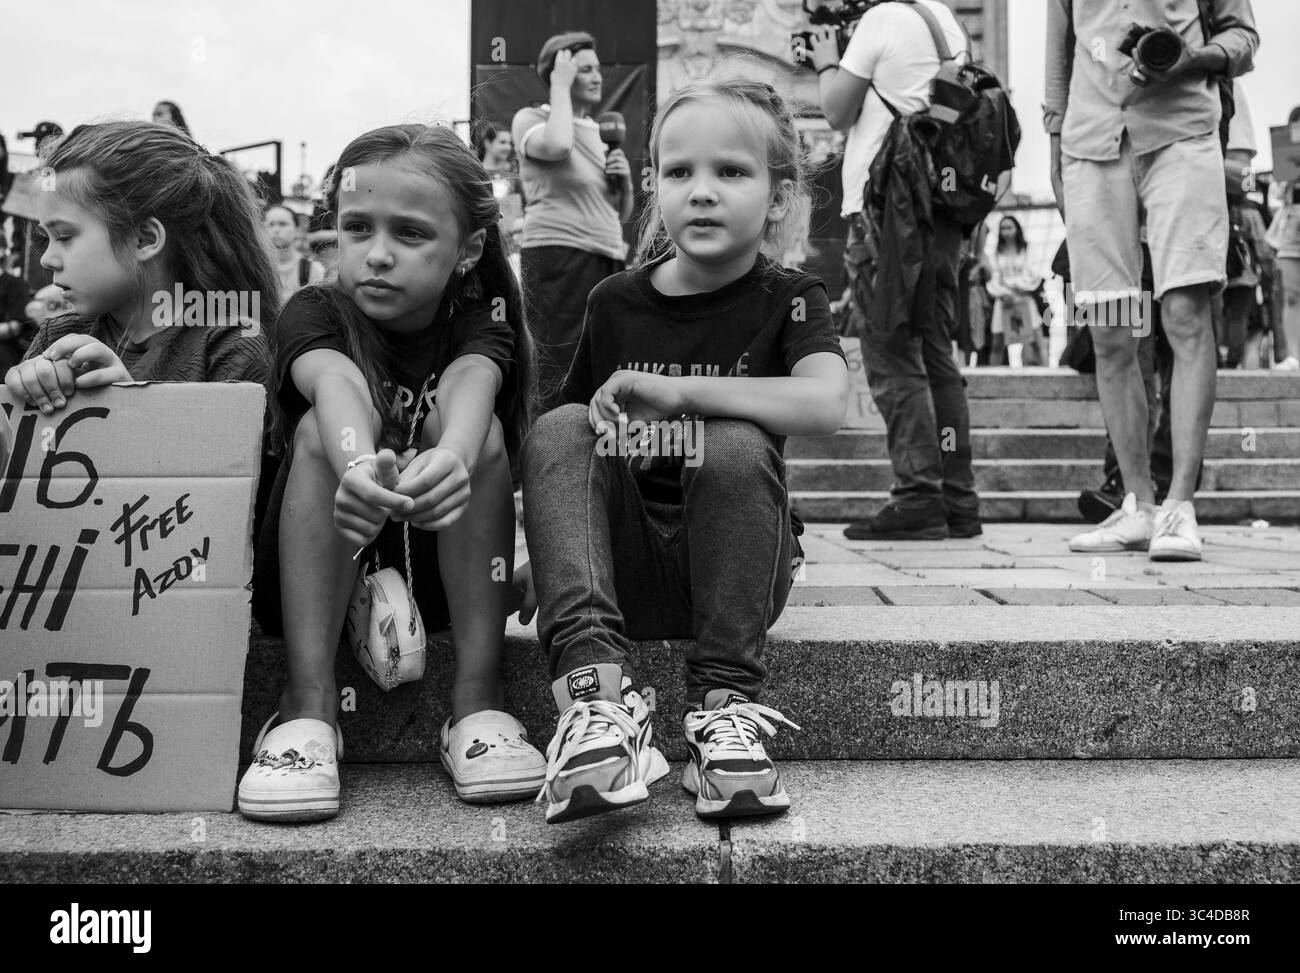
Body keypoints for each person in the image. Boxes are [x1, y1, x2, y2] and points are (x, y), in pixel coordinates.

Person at [522, 77, 848, 825]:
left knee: (732, 439)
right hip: (628, 571)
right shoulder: (615, 301)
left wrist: (682, 394)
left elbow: (827, 402)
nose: (702, 192)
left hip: (736, 570)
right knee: (559, 424)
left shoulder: (792, 295)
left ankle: (725, 715)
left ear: (778, 196)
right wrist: (539, 548)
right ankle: (596, 711)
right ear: (654, 187)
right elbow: (568, 445)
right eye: (680, 172)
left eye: (731, 172)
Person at [242, 124, 542, 822]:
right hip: (316, 581)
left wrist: (453, 457)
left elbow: (473, 385)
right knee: (320, 429)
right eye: (356, 228)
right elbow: (335, 384)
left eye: (410, 234)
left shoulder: (481, 318)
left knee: (481, 435)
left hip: (437, 581)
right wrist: (360, 469)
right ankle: (306, 707)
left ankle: (477, 698)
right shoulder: (315, 308)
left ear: (468, 250)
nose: (375, 255)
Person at [1049, 0, 1258, 562]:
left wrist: (1192, 60)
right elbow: (1061, 48)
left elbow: (1243, 37)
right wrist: (1054, 136)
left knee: (1186, 316)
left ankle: (1179, 506)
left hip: (1182, 135)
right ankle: (1138, 504)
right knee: (1113, 332)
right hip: (1092, 144)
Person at [810, 0, 982, 541]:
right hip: (938, 210)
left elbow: (836, 111)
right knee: (934, 353)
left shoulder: (883, 19)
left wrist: (824, 61)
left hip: (888, 208)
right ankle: (958, 499)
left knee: (889, 345)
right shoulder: (944, 18)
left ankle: (917, 497)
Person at [4, 121, 274, 413]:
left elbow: (231, 458)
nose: (47, 258)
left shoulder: (229, 345)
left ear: (144, 240)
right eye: (47, 237)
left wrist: (130, 408)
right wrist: (16, 399)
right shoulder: (55, 339)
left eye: (64, 236)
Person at [512, 31, 633, 411]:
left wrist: (625, 183)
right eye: (584, 70)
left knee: (600, 362)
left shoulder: (601, 133)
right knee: (556, 363)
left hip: (606, 256)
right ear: (559, 74)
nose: (597, 77)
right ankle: (547, 451)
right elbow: (558, 146)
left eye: (598, 68)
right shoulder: (532, 119)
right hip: (558, 255)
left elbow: (620, 212)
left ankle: (590, 452)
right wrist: (558, 88)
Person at [987, 215, 1048, 367]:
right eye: (1003, 228)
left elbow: (1033, 274)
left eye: (1009, 227)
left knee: (1035, 340)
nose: (1006, 231)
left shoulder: (1027, 249)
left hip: (1024, 299)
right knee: (997, 343)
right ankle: (993, 379)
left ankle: (1047, 373)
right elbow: (993, 278)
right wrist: (1004, 293)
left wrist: (1017, 288)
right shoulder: (995, 252)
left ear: (1017, 229)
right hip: (1003, 301)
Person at [264, 202, 324, 306]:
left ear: (297, 229)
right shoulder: (258, 268)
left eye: (283, 224)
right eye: (271, 225)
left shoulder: (311, 270)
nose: (276, 230)